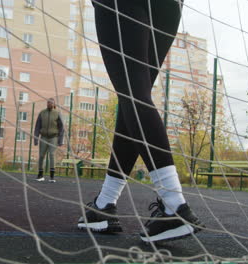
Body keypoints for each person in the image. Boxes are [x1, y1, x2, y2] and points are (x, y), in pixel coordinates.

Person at [77, 0, 202, 242]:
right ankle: (104, 204)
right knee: (133, 96)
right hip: (170, 7)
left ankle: (174, 206)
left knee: (133, 94)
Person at [33, 98, 64, 182]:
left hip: (53, 137)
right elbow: (37, 126)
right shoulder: (42, 113)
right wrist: (36, 138)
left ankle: (52, 176)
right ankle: (40, 175)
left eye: (51, 103)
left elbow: (61, 128)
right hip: (43, 137)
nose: (49, 104)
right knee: (41, 155)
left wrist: (60, 140)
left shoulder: (57, 114)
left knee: (51, 154)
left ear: (54, 105)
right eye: (48, 103)